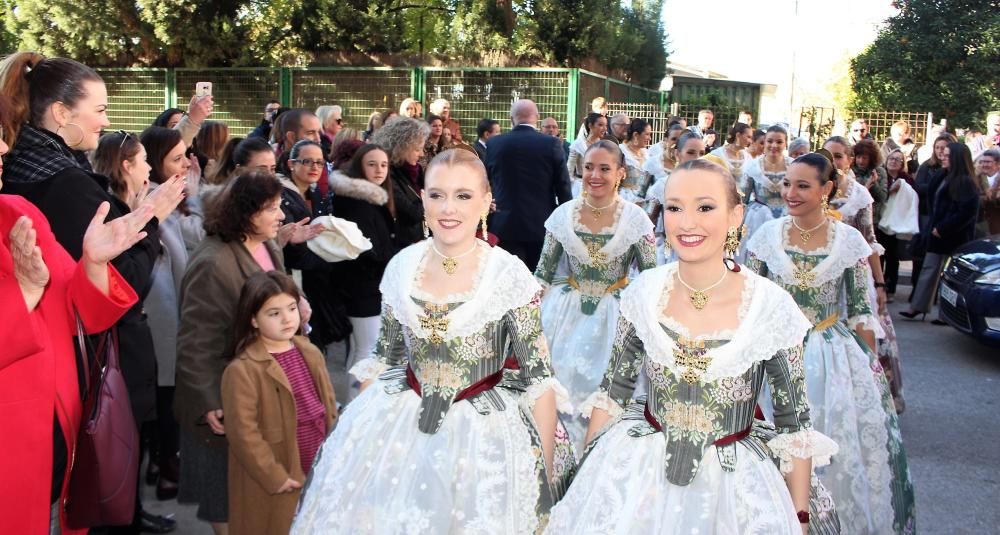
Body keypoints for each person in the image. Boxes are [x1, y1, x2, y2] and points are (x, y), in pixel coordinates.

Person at [291, 149, 575, 533]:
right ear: (422, 198)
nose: (448, 208)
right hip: (403, 423)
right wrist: (364, 446)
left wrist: (540, 468)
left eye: (463, 195)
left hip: (485, 436)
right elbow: (384, 361)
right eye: (437, 194)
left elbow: (539, 380)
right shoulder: (402, 265)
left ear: (487, 201)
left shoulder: (509, 274)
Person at [548, 159, 835, 534]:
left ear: (735, 215)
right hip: (638, 475)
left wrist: (799, 518)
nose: (686, 222)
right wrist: (587, 482)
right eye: (674, 207)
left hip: (735, 487)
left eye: (705, 207)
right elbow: (612, 394)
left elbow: (793, 423)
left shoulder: (772, 306)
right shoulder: (643, 292)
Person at [0, 52, 186, 534]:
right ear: (62, 113)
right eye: (100, 109)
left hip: (53, 417)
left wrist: (97, 261)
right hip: (26, 431)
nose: (3, 149)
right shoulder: (60, 182)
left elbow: (79, 300)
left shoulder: (19, 199)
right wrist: (148, 222)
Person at [746, 153, 916, 535]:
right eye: (787, 183)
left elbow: (859, 311)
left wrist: (872, 371)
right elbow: (749, 304)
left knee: (832, 449)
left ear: (827, 189)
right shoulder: (765, 237)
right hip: (772, 355)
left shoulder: (849, 240)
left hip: (831, 359)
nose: (790, 192)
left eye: (803, 185)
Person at [174, 170, 317, 534]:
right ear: (246, 213)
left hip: (261, 389)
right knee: (226, 494)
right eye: (272, 208)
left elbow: (272, 292)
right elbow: (196, 342)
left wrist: (296, 303)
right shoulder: (213, 264)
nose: (281, 216)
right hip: (225, 396)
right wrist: (210, 401)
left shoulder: (265, 244)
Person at [535, 140, 656, 445]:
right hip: (563, 317)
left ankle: (597, 452)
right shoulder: (562, 215)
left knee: (605, 395)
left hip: (614, 318)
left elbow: (651, 278)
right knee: (559, 388)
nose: (594, 175)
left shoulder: (637, 220)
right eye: (589, 167)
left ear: (620, 173)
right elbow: (543, 273)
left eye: (604, 168)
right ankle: (558, 452)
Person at [94, 127, 191, 502]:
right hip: (142, 328)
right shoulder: (114, 209)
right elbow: (130, 274)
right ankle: (132, 506)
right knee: (143, 421)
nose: (151, 168)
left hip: (162, 321)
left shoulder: (140, 200)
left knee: (155, 414)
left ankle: (136, 505)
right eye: (146, 161)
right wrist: (151, 219)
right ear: (126, 165)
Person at [221, 271, 337, 535]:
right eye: (274, 313)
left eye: (291, 308)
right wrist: (274, 476)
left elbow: (328, 405)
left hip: (316, 456)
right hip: (278, 468)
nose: (287, 319)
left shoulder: (309, 351)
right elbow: (243, 434)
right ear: (253, 319)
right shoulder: (243, 370)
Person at [329, 144, 399, 400]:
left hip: (367, 287)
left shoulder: (370, 198)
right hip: (363, 289)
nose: (379, 170)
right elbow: (369, 251)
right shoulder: (356, 203)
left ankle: (352, 405)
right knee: (366, 351)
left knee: (361, 349)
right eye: (372, 164)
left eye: (383, 164)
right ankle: (355, 409)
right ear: (360, 166)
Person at [277, 140, 345, 360]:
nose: (315, 167)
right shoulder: (283, 197)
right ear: (291, 164)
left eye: (320, 162)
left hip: (317, 281)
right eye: (307, 162)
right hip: (296, 281)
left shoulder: (316, 195)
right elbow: (293, 252)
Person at [485, 99, 572, 271]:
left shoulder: (494, 144)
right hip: (542, 224)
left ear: (511, 119)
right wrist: (565, 222)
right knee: (539, 282)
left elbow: (485, 180)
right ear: (537, 119)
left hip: (504, 225)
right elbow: (563, 186)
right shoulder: (552, 144)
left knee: (509, 281)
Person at [902, 143, 981, 323]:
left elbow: (966, 212)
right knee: (928, 269)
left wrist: (943, 228)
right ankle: (917, 307)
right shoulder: (941, 176)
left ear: (957, 159)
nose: (943, 157)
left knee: (950, 278)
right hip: (936, 235)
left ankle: (946, 315)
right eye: (942, 154)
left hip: (955, 237)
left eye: (947, 155)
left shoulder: (966, 182)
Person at [646, 130, 705, 264]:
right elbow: (648, 223)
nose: (697, 158)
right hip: (669, 254)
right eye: (691, 153)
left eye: (701, 153)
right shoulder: (662, 186)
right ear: (677, 154)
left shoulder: (711, 187)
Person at [371, 116, 429, 249]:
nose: (421, 154)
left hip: (416, 242)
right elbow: (412, 213)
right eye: (417, 149)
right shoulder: (387, 174)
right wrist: (429, 201)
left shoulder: (416, 172)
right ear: (401, 147)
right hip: (398, 247)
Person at [910, 133, 956, 290]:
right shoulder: (927, 166)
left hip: (943, 219)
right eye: (937, 148)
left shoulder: (956, 174)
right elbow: (918, 186)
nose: (940, 151)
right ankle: (917, 290)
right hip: (925, 213)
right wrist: (934, 187)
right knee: (922, 253)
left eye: (943, 148)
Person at [740, 125, 792, 255]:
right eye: (770, 141)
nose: (774, 145)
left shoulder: (794, 166)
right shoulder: (752, 167)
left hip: (787, 219)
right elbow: (742, 199)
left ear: (785, 144)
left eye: (779, 142)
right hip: (758, 221)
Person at [568, 112, 608, 196]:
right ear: (590, 126)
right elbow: (569, 170)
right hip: (580, 186)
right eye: (600, 125)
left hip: (599, 186)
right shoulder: (578, 144)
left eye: (606, 125)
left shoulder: (603, 145)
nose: (604, 129)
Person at [618, 118, 653, 204]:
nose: (649, 138)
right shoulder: (620, 151)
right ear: (636, 135)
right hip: (626, 199)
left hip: (645, 197)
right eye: (647, 134)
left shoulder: (645, 152)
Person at [977, 149, 1000, 234]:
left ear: (998, 164)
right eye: (982, 162)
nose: (984, 165)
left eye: (988, 162)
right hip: (981, 227)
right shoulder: (976, 179)